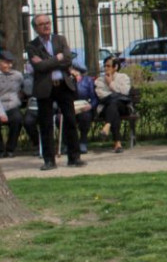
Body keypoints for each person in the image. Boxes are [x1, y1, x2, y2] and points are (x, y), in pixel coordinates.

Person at [26, 14, 85, 170]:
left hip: (63, 86)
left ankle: (74, 157)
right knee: (46, 124)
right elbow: (39, 67)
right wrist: (56, 59)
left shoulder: (60, 40)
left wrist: (49, 61)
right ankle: (49, 160)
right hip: (45, 88)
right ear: (35, 28)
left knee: (70, 121)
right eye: (42, 24)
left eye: (48, 22)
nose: (46, 26)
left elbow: (67, 60)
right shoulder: (32, 46)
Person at [95, 56, 132, 154]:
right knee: (113, 107)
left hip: (123, 107)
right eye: (105, 66)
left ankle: (107, 125)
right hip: (107, 108)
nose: (106, 68)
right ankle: (117, 143)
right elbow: (101, 95)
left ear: (115, 67)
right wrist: (116, 93)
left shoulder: (123, 77)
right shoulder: (100, 80)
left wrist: (110, 83)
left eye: (108, 66)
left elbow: (125, 92)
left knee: (113, 103)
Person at [67, 63, 97, 155]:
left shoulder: (88, 81)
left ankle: (83, 142)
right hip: (70, 107)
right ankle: (67, 143)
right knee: (62, 118)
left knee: (85, 117)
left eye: (72, 69)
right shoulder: (67, 81)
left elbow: (94, 98)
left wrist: (90, 106)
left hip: (84, 107)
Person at [0, 50, 24, 157]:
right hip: (0, 106)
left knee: (17, 119)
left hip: (13, 106)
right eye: (6, 62)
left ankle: (10, 149)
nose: (9, 65)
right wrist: (1, 113)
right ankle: (0, 149)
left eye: (10, 63)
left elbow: (24, 88)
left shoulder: (17, 76)